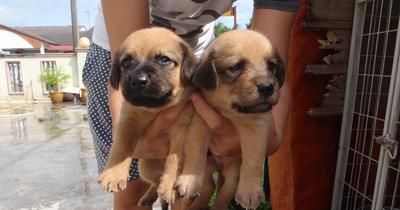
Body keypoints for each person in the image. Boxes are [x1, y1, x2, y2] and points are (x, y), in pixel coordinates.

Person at [82, 1, 299, 209]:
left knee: (184, 191)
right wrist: (126, 142)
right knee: (130, 189)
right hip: (114, 44)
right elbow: (128, 66)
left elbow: (274, 64)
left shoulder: (207, 68)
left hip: (196, 55)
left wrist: (267, 136)